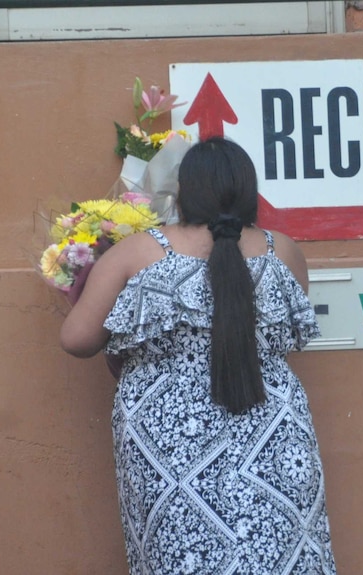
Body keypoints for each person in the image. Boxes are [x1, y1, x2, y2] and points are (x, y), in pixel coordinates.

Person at [60, 136, 337, 574]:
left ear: (184, 190)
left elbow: (77, 340)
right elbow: (281, 337)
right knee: (277, 550)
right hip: (271, 425)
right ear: (248, 191)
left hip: (167, 436)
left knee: (181, 554)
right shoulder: (280, 250)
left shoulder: (140, 251)